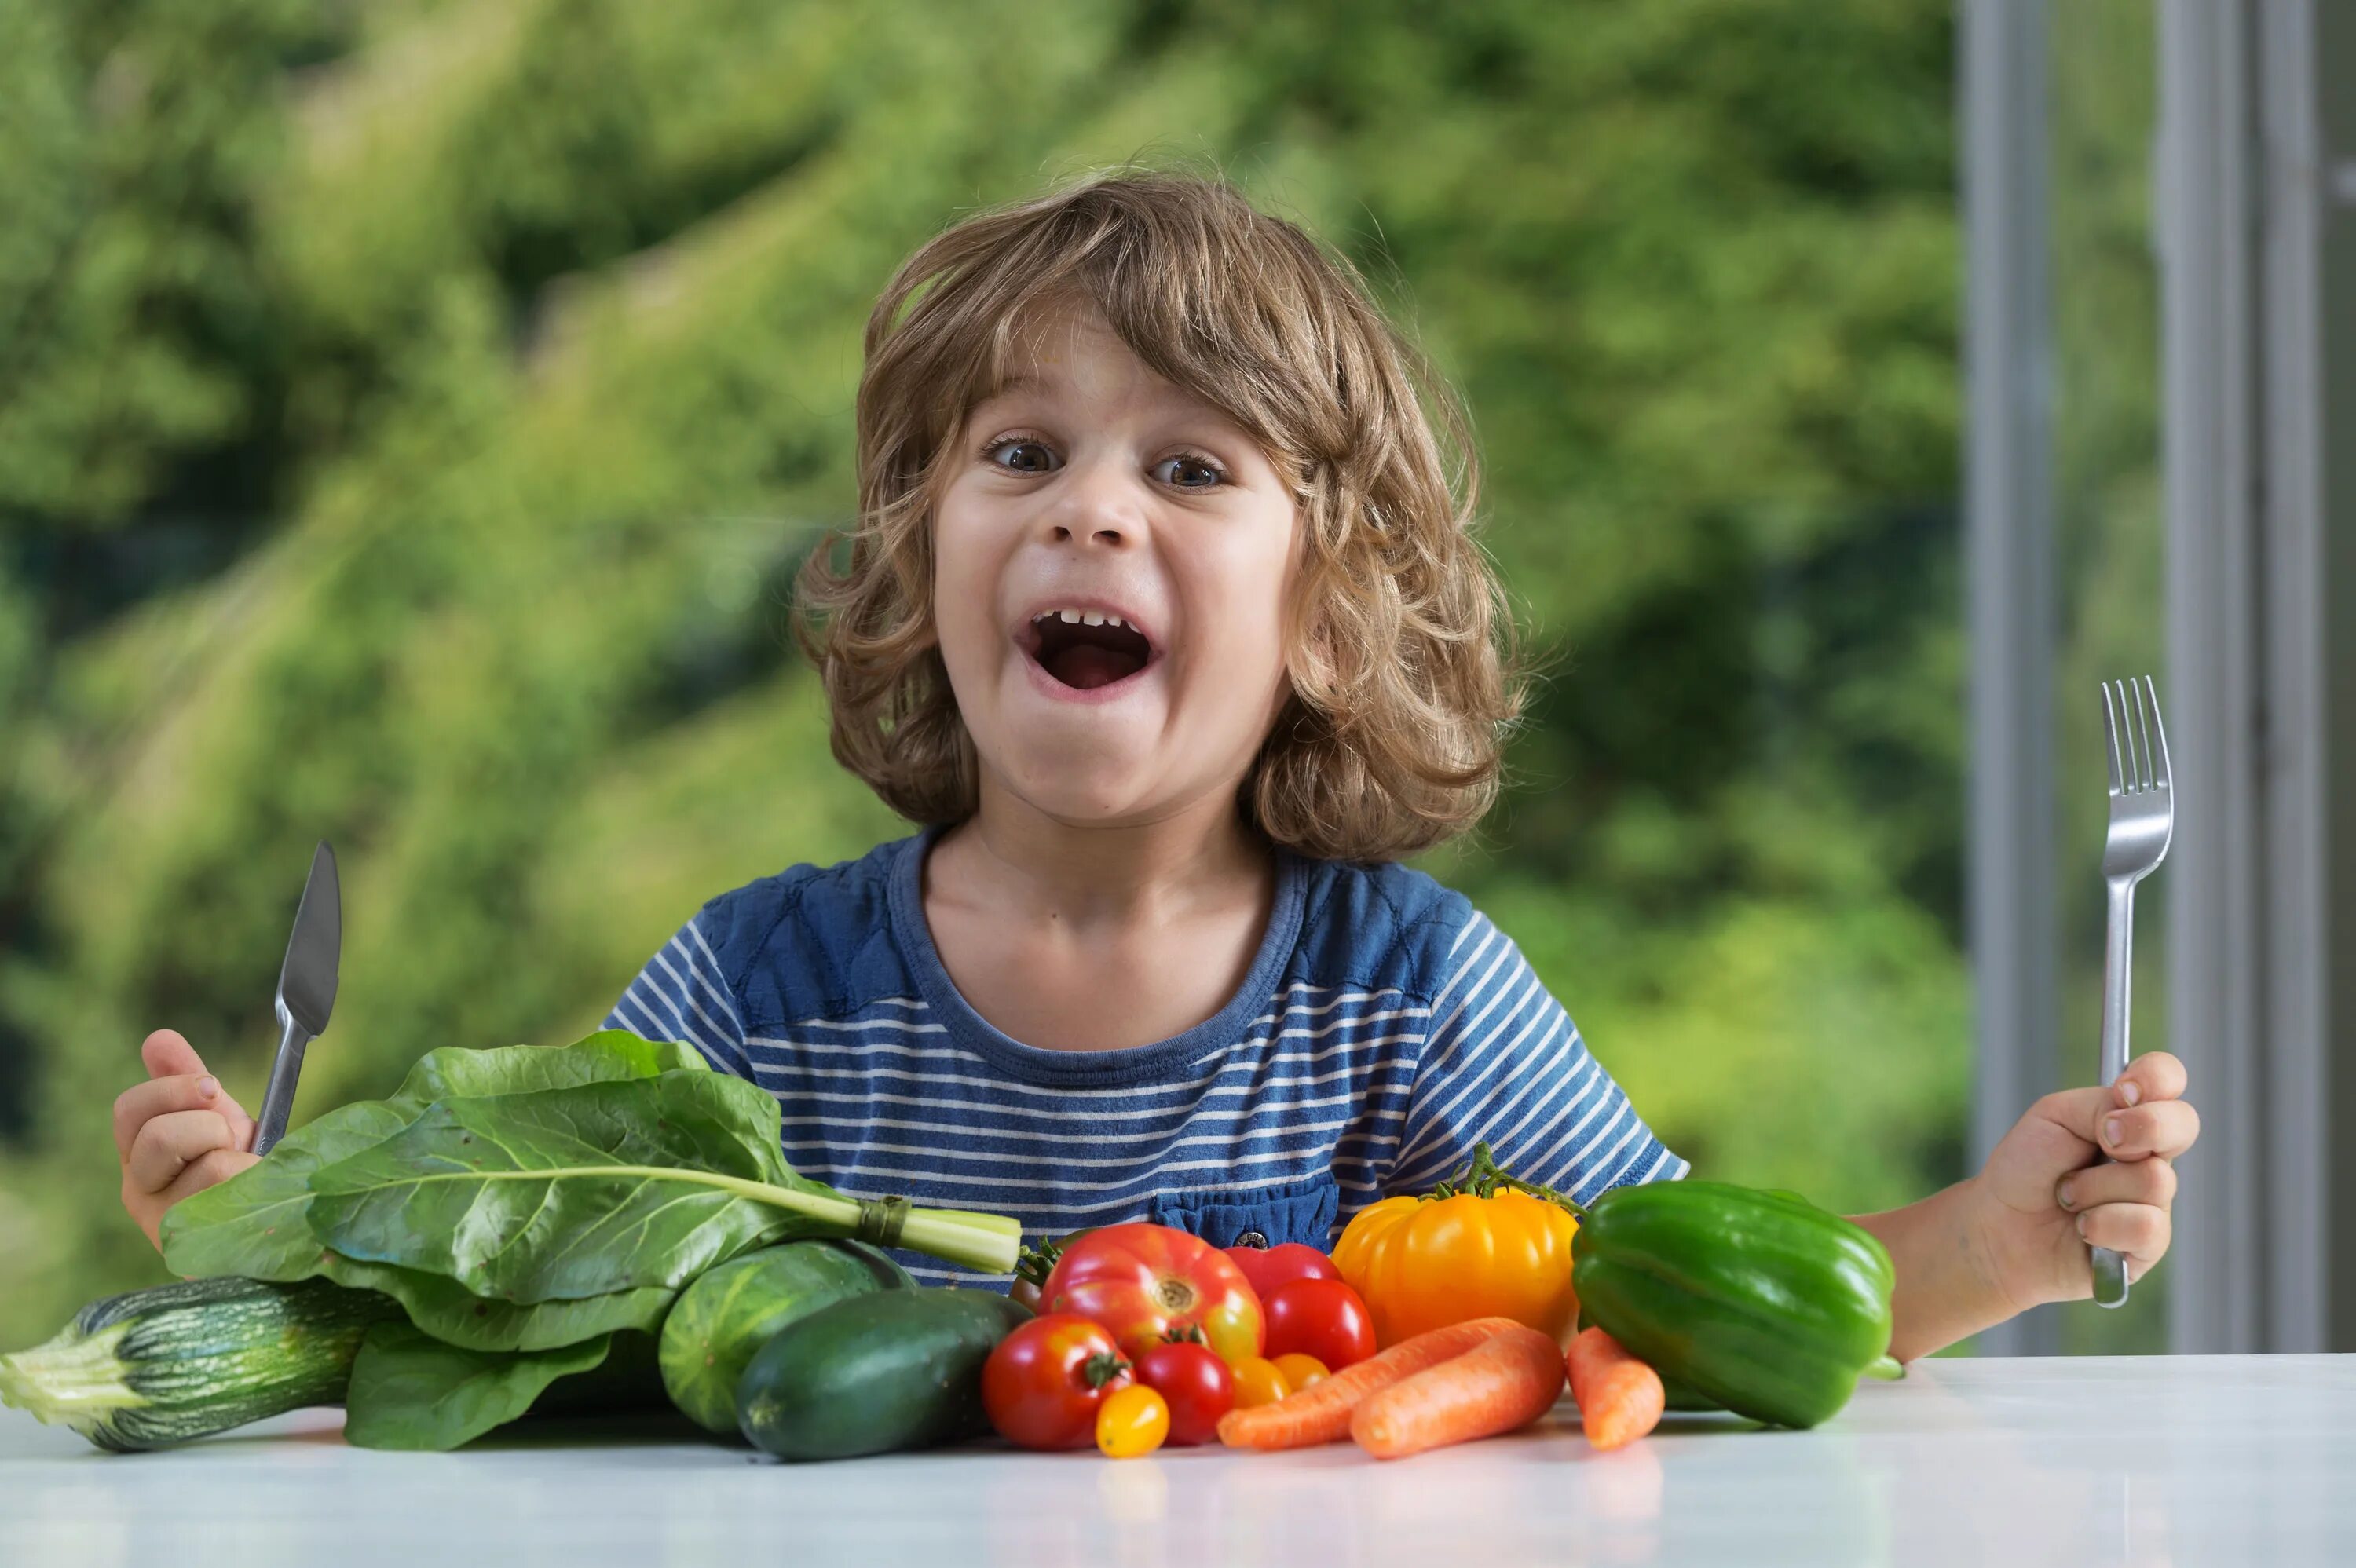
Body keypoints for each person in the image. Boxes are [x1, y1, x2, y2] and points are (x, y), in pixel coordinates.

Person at [111, 170, 2196, 1361]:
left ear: (1321, 609)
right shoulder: (763, 997)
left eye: (1186, 469)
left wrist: (1995, 1241)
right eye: (1021, 457)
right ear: (926, 558)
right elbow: (523, 1278)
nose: (1087, 512)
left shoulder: (1409, 998)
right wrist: (270, 1231)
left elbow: (1690, 1297)